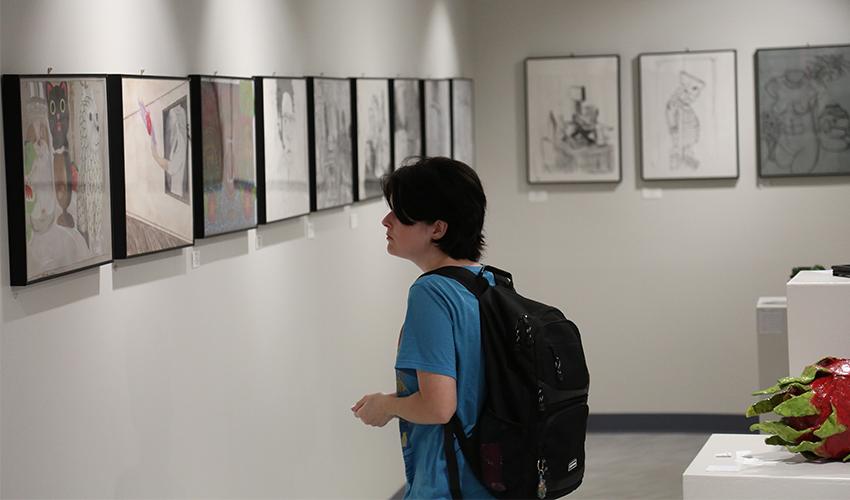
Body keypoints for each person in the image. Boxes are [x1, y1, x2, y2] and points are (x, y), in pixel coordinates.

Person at [352, 156, 494, 499]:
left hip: (450, 483)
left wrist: (384, 405)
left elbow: (438, 406)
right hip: (490, 478)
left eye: (399, 214)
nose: (386, 221)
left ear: (437, 229)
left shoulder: (430, 294)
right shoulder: (486, 282)